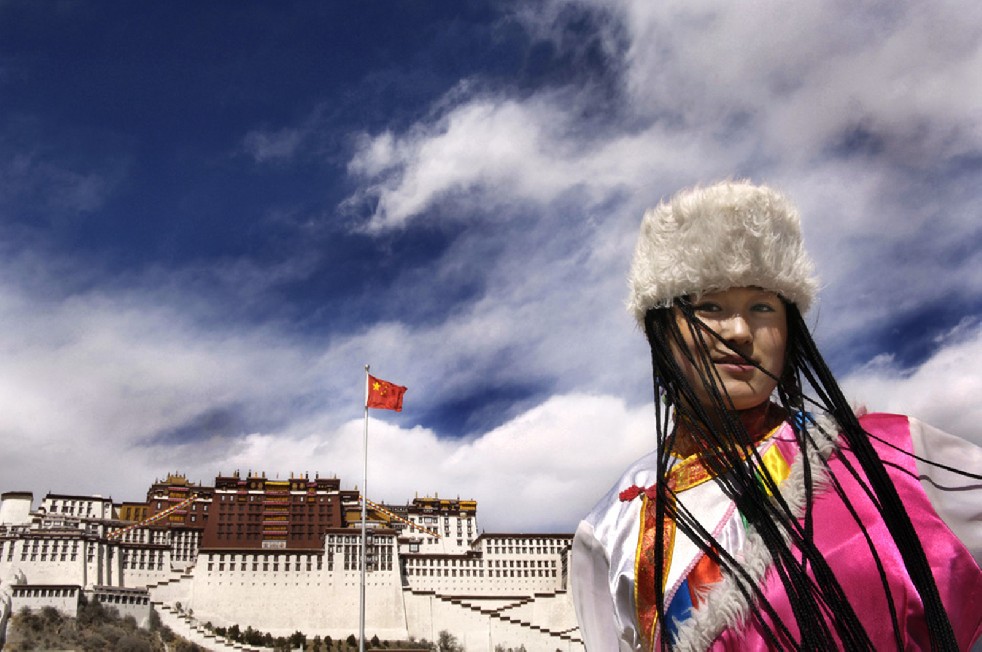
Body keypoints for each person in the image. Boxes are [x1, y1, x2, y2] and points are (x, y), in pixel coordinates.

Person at [571, 181, 982, 651]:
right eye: (709, 306)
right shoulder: (614, 525)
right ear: (661, 334)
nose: (740, 332)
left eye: (762, 307)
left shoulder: (894, 456)